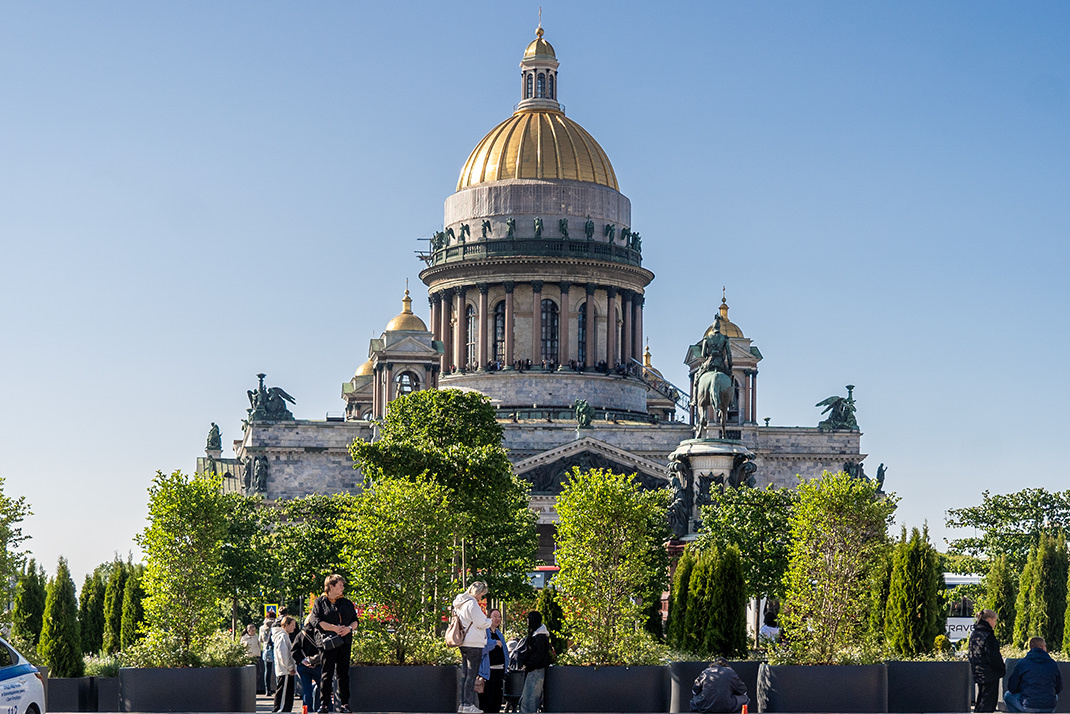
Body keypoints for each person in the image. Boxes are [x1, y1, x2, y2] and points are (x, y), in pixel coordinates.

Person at [309, 574, 359, 714]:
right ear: (331, 586)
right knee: (326, 673)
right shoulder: (320, 602)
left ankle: (345, 704)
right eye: (340, 585)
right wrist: (334, 628)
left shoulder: (347, 603)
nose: (343, 587)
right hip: (327, 643)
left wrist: (348, 628)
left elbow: (355, 621)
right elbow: (316, 621)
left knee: (343, 673)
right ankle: (324, 705)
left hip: (344, 642)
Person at [453, 582, 493, 714]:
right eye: (482, 593)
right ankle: (468, 705)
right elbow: (481, 622)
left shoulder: (461, 603)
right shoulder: (472, 604)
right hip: (474, 643)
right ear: (478, 592)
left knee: (465, 675)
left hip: (464, 642)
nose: (482, 596)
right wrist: (489, 621)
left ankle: (463, 705)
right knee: (472, 675)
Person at [1005, 637, 1062, 713]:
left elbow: (1012, 687)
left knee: (1007, 696)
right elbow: (1059, 687)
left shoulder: (1023, 663)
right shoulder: (1053, 664)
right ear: (1042, 647)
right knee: (1055, 697)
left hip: (1028, 704)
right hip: (1048, 706)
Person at [969, 609, 1006, 713]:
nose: (995, 623)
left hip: (979, 673)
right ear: (989, 620)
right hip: (990, 675)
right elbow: (993, 656)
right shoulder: (988, 636)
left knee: (981, 702)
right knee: (987, 705)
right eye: (995, 620)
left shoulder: (975, 634)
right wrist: (1001, 670)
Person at [518, 611, 551, 714]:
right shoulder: (540, 635)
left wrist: (526, 662)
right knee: (530, 700)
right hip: (535, 669)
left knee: (529, 700)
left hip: (535, 670)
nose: (527, 621)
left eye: (529, 618)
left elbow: (537, 656)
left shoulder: (539, 637)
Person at [478, 609, 510, 714]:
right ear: (488, 618)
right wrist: (494, 643)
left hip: (499, 671)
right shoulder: (484, 632)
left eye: (499, 616)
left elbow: (505, 652)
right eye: (494, 616)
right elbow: (481, 649)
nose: (497, 619)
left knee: (497, 701)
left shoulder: (499, 633)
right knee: (487, 701)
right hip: (488, 673)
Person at [293, 617, 324, 713]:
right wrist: (315, 662)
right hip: (318, 665)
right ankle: (326, 709)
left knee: (307, 690)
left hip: (303, 666)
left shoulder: (300, 635)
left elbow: (294, 652)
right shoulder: (320, 633)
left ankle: (307, 710)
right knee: (323, 689)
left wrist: (303, 661)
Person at [271, 616, 298, 713]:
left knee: (285, 692)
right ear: (286, 625)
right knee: (284, 693)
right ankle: (280, 710)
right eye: (292, 625)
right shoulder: (282, 636)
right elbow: (283, 654)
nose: (294, 627)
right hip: (285, 670)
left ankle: (283, 710)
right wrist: (290, 667)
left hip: (284, 670)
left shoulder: (283, 635)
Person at [240, 624, 264, 694]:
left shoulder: (256, 637)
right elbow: (242, 648)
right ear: (248, 630)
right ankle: (249, 688)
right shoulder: (244, 638)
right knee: (249, 675)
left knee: (258, 674)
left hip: (256, 657)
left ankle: (257, 689)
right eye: (252, 630)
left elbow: (259, 646)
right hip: (248, 657)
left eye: (254, 630)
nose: (254, 632)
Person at [261, 613, 277, 695]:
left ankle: (267, 690)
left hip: (266, 650)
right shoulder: (276, 626)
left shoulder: (262, 628)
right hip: (275, 649)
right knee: (277, 670)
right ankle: (277, 688)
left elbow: (260, 639)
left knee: (267, 671)